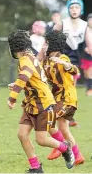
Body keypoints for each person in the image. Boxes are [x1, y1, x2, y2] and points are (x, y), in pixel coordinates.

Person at [7, 29, 75, 173]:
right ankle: (36, 167)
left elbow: (24, 76)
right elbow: (32, 78)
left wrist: (12, 97)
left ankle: (65, 147)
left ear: (13, 47)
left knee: (41, 140)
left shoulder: (25, 59)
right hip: (32, 103)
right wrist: (18, 84)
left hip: (43, 104)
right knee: (22, 134)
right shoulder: (29, 57)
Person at [42, 30, 85, 165]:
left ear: (53, 44)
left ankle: (60, 147)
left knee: (47, 119)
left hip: (67, 99)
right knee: (63, 129)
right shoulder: (46, 61)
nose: (43, 45)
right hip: (57, 99)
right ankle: (78, 156)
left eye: (46, 43)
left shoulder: (63, 58)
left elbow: (75, 70)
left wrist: (63, 63)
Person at [53, 0, 92, 126]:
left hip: (74, 60)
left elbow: (89, 44)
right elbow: (50, 39)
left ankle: (67, 116)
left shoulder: (84, 25)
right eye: (71, 7)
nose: (74, 10)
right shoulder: (62, 24)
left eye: (77, 7)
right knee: (60, 87)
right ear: (68, 9)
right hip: (60, 58)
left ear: (81, 9)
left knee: (71, 88)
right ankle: (57, 113)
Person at [81, 13, 92, 96]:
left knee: (90, 73)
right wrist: (85, 48)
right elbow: (81, 43)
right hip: (86, 55)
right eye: (90, 20)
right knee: (86, 74)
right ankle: (88, 89)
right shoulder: (84, 30)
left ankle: (90, 90)